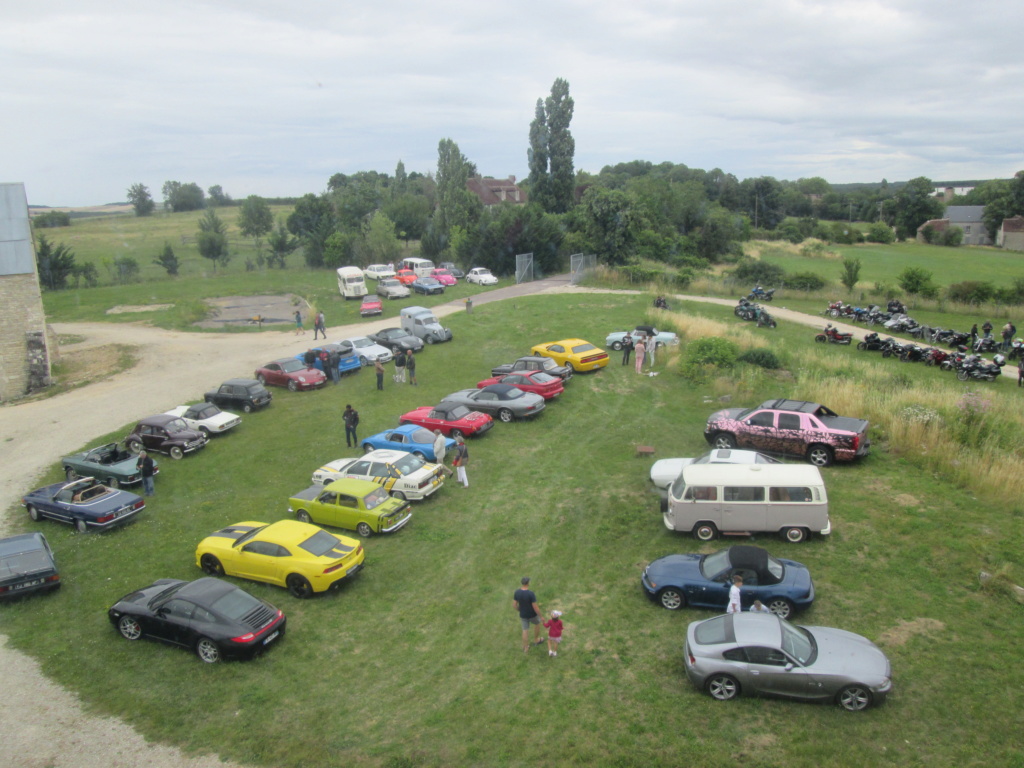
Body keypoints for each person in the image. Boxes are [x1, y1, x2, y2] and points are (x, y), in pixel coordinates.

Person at [513, 577, 544, 653]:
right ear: (528, 583)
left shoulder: (517, 592)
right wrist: (541, 616)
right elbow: (535, 607)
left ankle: (526, 647)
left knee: (525, 630)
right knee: (537, 624)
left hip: (523, 615)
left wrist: (520, 610)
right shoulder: (530, 594)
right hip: (532, 614)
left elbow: (514, 605)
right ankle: (536, 640)